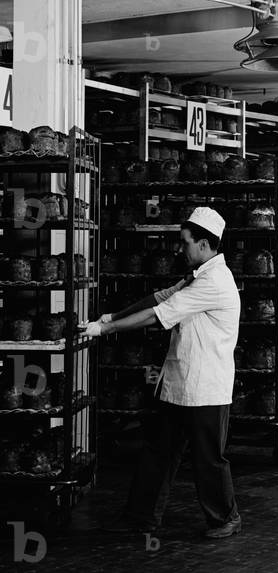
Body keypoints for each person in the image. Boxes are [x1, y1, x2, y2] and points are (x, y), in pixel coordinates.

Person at [80, 207, 242, 539]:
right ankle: (141, 517)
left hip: (206, 389)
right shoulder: (196, 274)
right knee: (158, 452)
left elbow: (158, 315)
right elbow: (159, 297)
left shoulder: (215, 281)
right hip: (179, 384)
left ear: (203, 243)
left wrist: (104, 332)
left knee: (208, 459)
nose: (180, 250)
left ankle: (225, 518)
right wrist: (111, 316)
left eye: (184, 243)